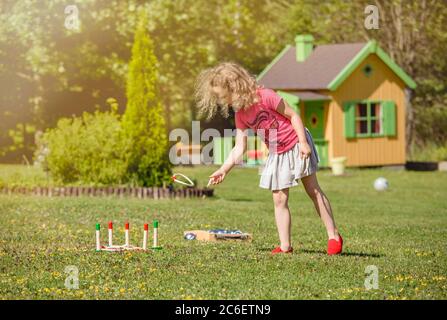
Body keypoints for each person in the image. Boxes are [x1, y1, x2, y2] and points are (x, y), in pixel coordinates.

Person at [195, 62, 343, 255]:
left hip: (296, 143)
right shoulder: (241, 114)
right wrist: (224, 169)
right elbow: (240, 146)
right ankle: (285, 247)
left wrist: (303, 143)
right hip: (277, 152)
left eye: (224, 96)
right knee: (279, 199)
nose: (224, 102)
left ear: (235, 87)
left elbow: (294, 116)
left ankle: (334, 236)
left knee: (312, 190)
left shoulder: (266, 96)